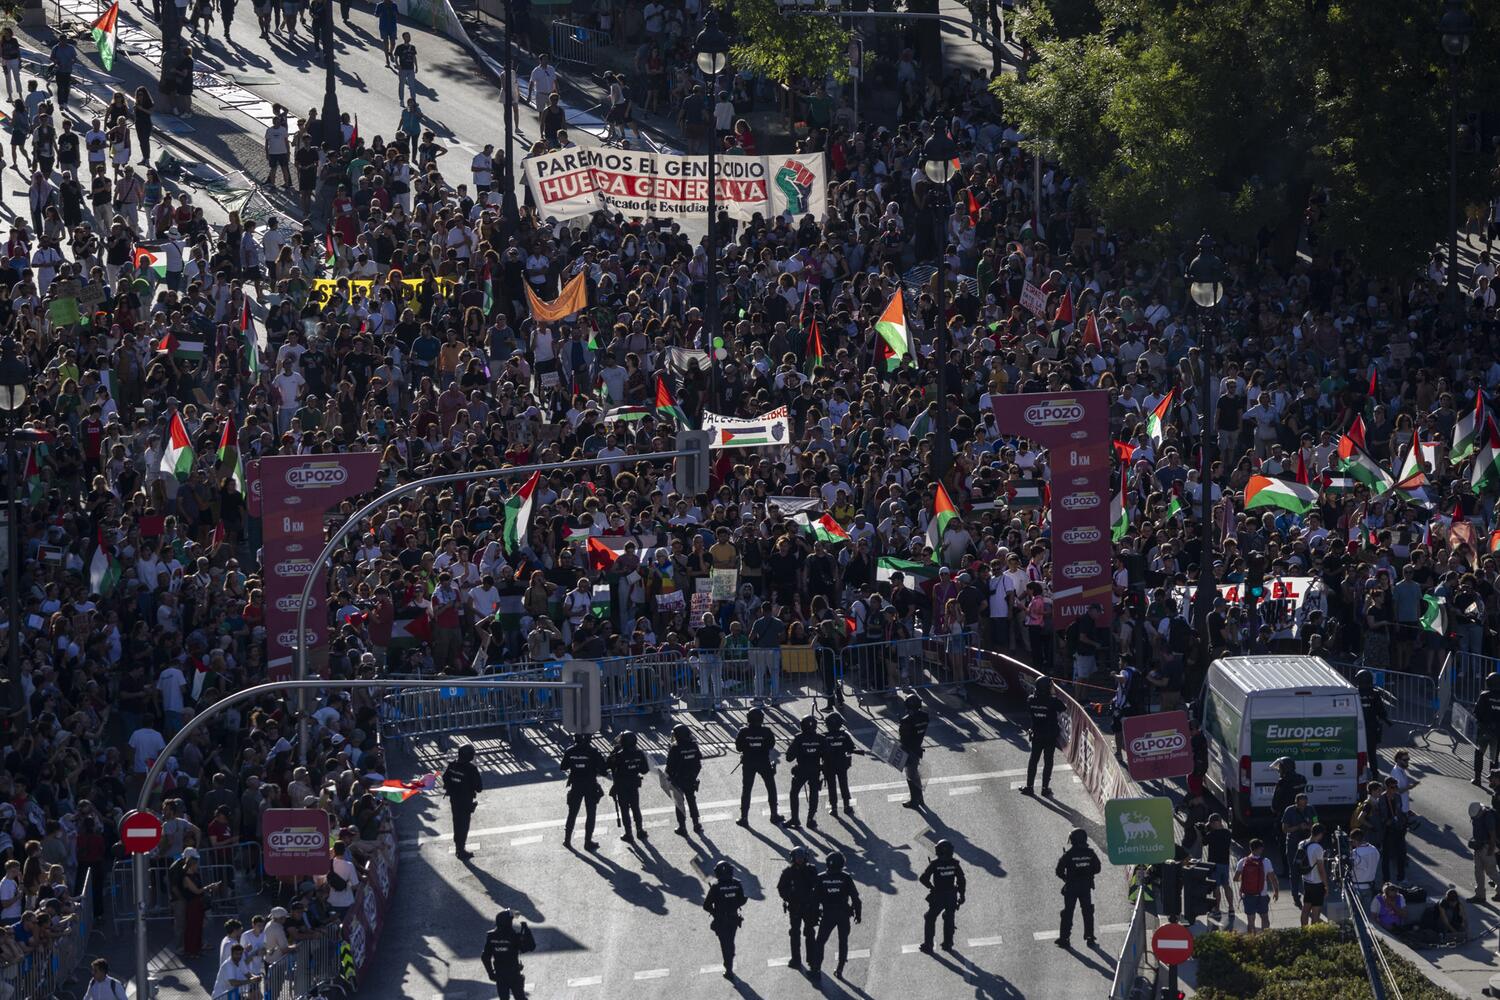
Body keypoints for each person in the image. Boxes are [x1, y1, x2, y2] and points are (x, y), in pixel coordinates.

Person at [808, 850, 861, 983]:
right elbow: (856, 898)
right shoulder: (846, 877)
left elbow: (814, 900)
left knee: (820, 942)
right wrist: (858, 914)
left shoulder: (821, 878)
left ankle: (816, 970)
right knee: (843, 942)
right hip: (843, 915)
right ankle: (840, 970)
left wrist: (814, 917)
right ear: (842, 864)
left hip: (828, 915)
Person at [735, 707, 782, 827]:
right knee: (771, 787)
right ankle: (774, 814)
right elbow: (771, 745)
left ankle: (744, 817)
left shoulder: (743, 731)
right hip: (763, 762)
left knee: (747, 789)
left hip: (748, 763)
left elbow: (738, 748)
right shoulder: (767, 731)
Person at [1055, 828, 1102, 949]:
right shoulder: (1090, 853)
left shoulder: (1068, 855)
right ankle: (1090, 937)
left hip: (1071, 887)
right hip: (1085, 887)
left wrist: (1066, 878)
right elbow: (1097, 868)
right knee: (1088, 911)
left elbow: (1059, 871)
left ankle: (1064, 938)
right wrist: (1087, 873)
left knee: (1068, 913)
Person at [560, 732, 606, 850]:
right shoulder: (593, 752)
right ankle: (587, 842)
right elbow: (603, 769)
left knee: (572, 813)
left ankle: (567, 840)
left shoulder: (570, 751)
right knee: (591, 814)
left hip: (576, 785)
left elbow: (563, 767)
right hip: (590, 785)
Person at [918, 839, 966, 953]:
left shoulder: (935, 864)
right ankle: (948, 944)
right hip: (951, 897)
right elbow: (961, 880)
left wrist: (931, 887)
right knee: (949, 918)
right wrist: (962, 895)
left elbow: (923, 878)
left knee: (929, 917)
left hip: (938, 896)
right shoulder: (955, 864)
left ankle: (928, 945)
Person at [777, 846, 820, 972]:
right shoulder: (788, 872)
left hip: (809, 907)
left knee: (810, 932)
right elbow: (781, 888)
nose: (799, 860)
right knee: (795, 933)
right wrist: (790, 897)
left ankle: (811, 960)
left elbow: (817, 886)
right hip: (795, 907)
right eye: (797, 858)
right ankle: (796, 959)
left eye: (801, 858)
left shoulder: (811, 870)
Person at [703, 860, 746, 981]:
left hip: (721, 920)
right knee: (730, 942)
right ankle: (729, 963)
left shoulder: (716, 887)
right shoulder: (737, 884)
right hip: (733, 919)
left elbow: (706, 905)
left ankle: (728, 968)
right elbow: (742, 900)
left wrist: (716, 913)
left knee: (724, 943)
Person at [1021, 675, 1064, 796]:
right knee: (1048, 761)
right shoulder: (1052, 701)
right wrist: (1054, 693)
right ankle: (1045, 788)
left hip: (1037, 734)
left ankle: (1029, 787)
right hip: (1050, 735)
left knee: (1033, 760)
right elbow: (1063, 707)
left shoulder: (1030, 699)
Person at [481, 909, 536, 1000]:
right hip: (514, 974)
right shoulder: (514, 937)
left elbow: (485, 957)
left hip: (500, 975)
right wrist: (527, 931)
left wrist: (491, 973)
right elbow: (530, 947)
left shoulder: (491, 936)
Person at [605, 730, 649, 843]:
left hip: (621, 785)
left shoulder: (619, 755)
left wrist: (612, 753)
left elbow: (607, 765)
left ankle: (628, 833)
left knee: (624, 810)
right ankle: (640, 830)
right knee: (635, 807)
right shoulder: (639, 753)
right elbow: (645, 770)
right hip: (634, 784)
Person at [443, 743, 483, 860]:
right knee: (463, 825)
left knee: (456, 823)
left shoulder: (452, 765)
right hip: (465, 801)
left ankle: (458, 848)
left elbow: (445, 778)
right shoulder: (471, 769)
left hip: (454, 800)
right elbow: (479, 788)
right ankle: (461, 851)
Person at [1232, 838, 1278, 935]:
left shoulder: (1243, 861)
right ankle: (1265, 938)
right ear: (1260, 848)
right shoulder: (1266, 861)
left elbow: (1235, 878)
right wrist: (1276, 891)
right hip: (1262, 894)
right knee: (1264, 918)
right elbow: (1273, 878)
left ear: (1250, 848)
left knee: (1251, 921)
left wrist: (1245, 879)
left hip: (1248, 895)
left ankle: (1251, 941)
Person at [785, 714, 824, 830]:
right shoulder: (821, 738)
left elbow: (789, 758)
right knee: (814, 793)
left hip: (801, 770)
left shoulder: (799, 738)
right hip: (815, 769)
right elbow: (826, 754)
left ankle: (795, 819)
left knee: (794, 793)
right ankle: (811, 819)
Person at [665, 723, 703, 835]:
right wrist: (693, 776)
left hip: (678, 780)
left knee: (679, 803)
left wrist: (669, 777)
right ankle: (697, 824)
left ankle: (682, 827)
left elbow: (669, 766)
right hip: (690, 778)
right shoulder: (693, 745)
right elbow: (698, 764)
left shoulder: (675, 748)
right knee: (692, 801)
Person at [1280, 788, 1315, 906]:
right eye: (1301, 805)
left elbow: (1316, 823)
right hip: (1293, 844)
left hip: (1307, 843)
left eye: (1305, 804)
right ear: (1296, 803)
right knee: (1294, 871)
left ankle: (1309, 894)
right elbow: (1285, 829)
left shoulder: (1311, 809)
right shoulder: (1289, 811)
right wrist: (1298, 827)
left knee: (1308, 869)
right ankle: (1295, 896)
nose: (1303, 807)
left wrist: (1310, 826)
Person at [821, 714, 858, 817]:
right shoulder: (845, 735)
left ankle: (834, 808)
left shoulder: (824, 736)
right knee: (844, 784)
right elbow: (851, 748)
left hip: (829, 765)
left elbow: (820, 751)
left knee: (831, 786)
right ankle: (847, 806)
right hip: (842, 764)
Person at [1356, 669, 1390, 777]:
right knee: (1371, 753)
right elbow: (1381, 710)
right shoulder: (1375, 694)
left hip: (1358, 728)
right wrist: (1385, 719)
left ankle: (1361, 773)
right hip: (1371, 728)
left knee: (1359, 753)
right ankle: (1374, 773)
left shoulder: (1355, 693)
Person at [899, 693, 929, 810]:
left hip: (908, 751)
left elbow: (903, 738)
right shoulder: (925, 716)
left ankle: (914, 801)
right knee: (915, 775)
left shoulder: (906, 720)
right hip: (917, 748)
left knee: (910, 777)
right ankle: (920, 798)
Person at [1296, 823, 1328, 926]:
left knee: (1305, 908)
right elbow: (1321, 869)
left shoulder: (1301, 843)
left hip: (1306, 880)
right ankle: (1314, 935)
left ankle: (1304, 932)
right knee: (1316, 911)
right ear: (1320, 834)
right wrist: (1326, 885)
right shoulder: (1318, 848)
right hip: (1317, 883)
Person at [1470, 800, 1499, 903]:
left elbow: (1492, 835)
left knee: (1491, 872)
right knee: (1478, 871)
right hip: (1479, 847)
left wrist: (1491, 851)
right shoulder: (1479, 814)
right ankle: (1480, 895)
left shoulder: (1488, 817)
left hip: (1486, 847)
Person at [1475, 672, 1500, 786]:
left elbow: (1477, 712)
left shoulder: (1484, 695)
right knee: (1494, 757)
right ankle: (1493, 781)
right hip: (1497, 733)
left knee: (1479, 754)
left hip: (1484, 731)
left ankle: (1477, 779)